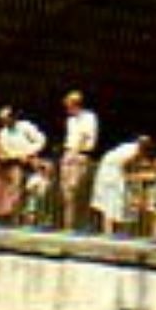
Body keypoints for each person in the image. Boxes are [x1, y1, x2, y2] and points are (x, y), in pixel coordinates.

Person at [92, 135, 155, 235]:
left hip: (112, 169)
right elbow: (124, 167)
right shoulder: (133, 152)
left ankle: (112, 230)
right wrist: (132, 177)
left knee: (114, 201)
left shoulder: (134, 149)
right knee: (112, 201)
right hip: (111, 171)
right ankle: (108, 231)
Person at [59, 90, 99, 230]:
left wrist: (76, 152)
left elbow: (87, 136)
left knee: (76, 190)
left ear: (76, 104)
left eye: (69, 105)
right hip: (69, 153)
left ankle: (78, 225)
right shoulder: (70, 120)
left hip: (80, 155)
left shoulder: (89, 117)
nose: (67, 108)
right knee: (66, 192)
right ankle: (67, 225)